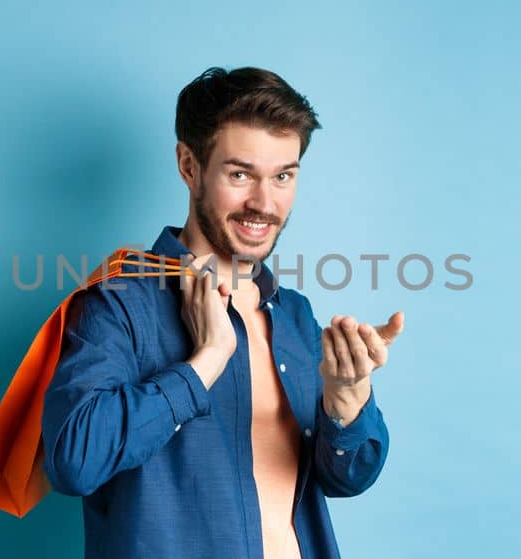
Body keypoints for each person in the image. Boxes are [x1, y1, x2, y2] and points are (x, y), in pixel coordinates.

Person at [40, 66, 405, 559]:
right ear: (189, 166)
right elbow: (73, 462)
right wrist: (206, 361)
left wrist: (346, 396)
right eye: (240, 174)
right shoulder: (118, 303)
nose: (264, 203)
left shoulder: (294, 315)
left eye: (283, 176)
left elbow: (348, 478)